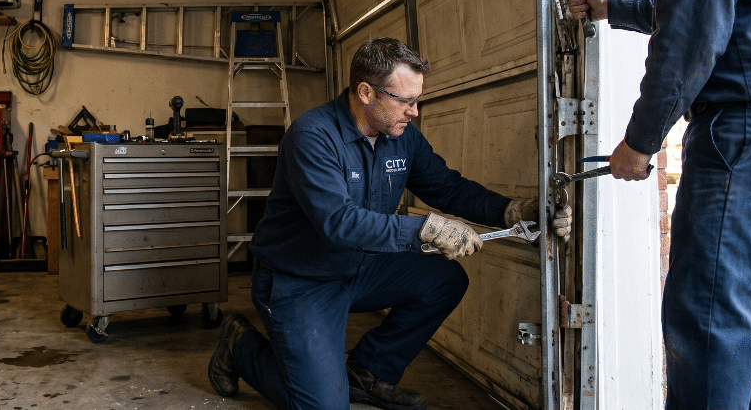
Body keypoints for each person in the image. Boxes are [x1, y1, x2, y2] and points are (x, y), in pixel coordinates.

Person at [207, 37, 572, 410]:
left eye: (418, 100)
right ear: (366, 92)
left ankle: (369, 373)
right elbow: (339, 222)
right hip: (299, 279)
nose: (415, 111)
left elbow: (448, 188)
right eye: (406, 101)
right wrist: (424, 229)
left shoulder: (402, 137)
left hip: (358, 266)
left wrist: (514, 210)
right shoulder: (313, 136)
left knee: (443, 280)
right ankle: (240, 346)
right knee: (325, 406)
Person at [565, 0, 751, 407]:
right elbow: (714, 5)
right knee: (742, 315)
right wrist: (611, 8)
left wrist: (641, 140)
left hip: (740, 132)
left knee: (705, 317)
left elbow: (694, 31)